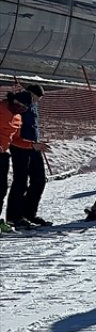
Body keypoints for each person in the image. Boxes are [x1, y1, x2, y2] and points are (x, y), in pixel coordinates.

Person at [6, 86, 51, 228]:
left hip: (34, 146)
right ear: (32, 94)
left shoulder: (33, 105)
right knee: (21, 180)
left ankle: (28, 213)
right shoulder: (21, 102)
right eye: (37, 97)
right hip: (20, 146)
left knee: (39, 179)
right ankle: (14, 216)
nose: (37, 101)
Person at [0, 92, 29, 232]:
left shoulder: (18, 118)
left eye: (24, 108)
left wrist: (33, 145)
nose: (20, 109)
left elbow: (16, 140)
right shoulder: (1, 109)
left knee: (1, 189)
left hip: (3, 155)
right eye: (19, 105)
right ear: (14, 101)